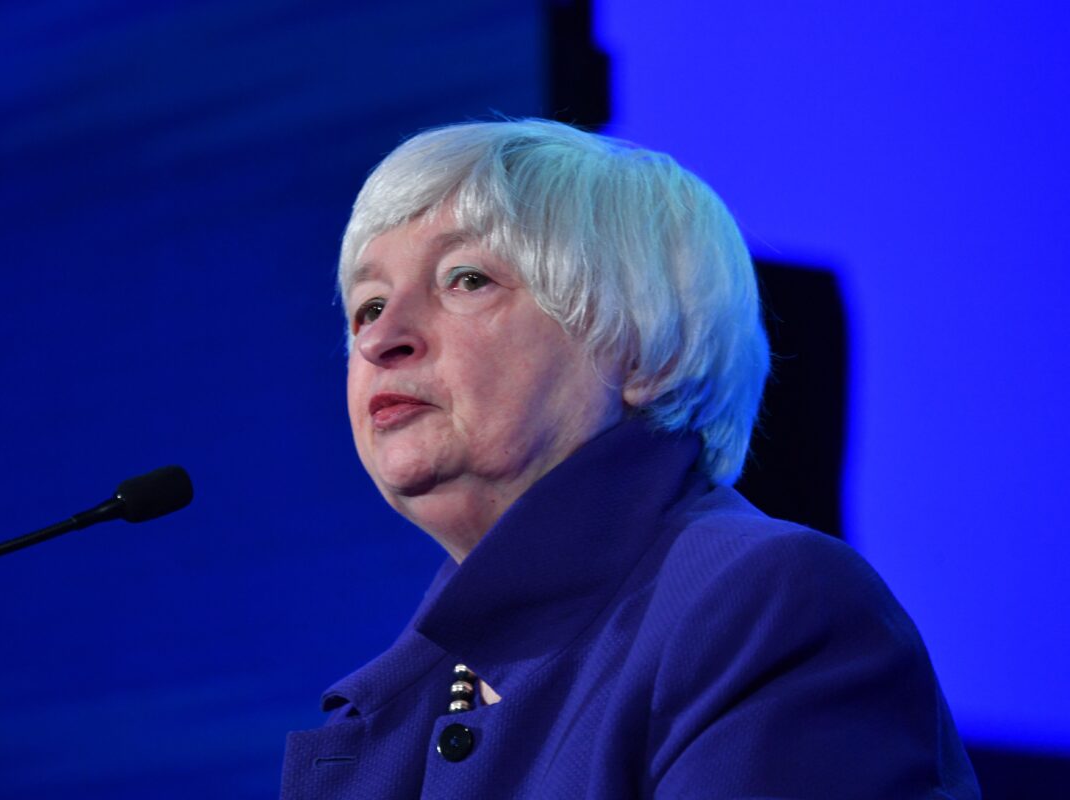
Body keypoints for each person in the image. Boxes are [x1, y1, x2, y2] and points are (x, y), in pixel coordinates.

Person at [280, 119, 979, 799]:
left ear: (646, 351)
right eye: (368, 306)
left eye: (466, 278)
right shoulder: (395, 709)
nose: (381, 339)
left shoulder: (765, 605)